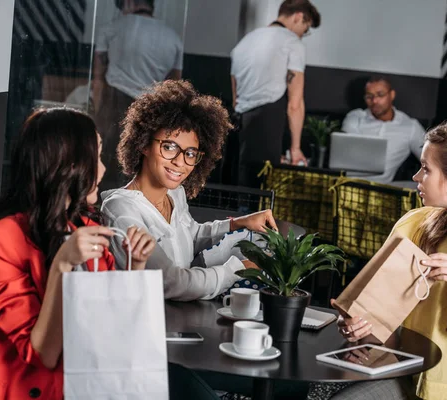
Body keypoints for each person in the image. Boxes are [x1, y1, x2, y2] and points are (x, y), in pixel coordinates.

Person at [0, 108, 156, 399]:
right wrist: (62, 266)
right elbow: (42, 355)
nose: (102, 170)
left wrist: (135, 266)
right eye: (97, 157)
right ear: (70, 165)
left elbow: (113, 330)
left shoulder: (87, 229)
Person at [331, 121, 447, 399]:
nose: (416, 177)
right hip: (407, 378)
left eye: (426, 169)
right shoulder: (414, 223)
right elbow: (388, 334)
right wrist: (359, 328)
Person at [101, 80, 279, 301]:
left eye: (190, 153)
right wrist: (237, 269)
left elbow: (190, 236)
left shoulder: (175, 193)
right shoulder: (121, 210)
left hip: (185, 318)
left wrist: (237, 223)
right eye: (169, 147)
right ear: (143, 143)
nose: (179, 162)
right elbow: (171, 282)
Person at [93, 0, 184, 192]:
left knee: (107, 159)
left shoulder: (113, 27)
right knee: (136, 163)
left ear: (128, 3)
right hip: (151, 107)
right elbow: (174, 85)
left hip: (114, 101)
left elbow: (98, 77)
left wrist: (96, 109)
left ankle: (100, 208)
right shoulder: (173, 37)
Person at [230, 0, 320, 188]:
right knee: (261, 194)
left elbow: (235, 95)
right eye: (306, 27)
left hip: (238, 123)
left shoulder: (246, 41)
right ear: (298, 17)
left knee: (239, 188)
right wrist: (295, 149)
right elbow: (295, 104)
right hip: (267, 119)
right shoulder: (292, 42)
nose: (304, 34)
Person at [341, 76, 425, 184]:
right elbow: (345, 152)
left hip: (383, 188)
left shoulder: (410, 126)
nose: (374, 101)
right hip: (348, 183)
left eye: (380, 95)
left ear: (392, 95)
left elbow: (431, 160)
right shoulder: (355, 117)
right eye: (369, 96)